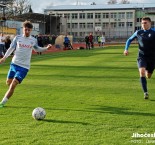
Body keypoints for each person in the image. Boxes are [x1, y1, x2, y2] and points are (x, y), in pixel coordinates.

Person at [0, 21, 52, 108]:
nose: (27, 31)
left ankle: (2, 102)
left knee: (13, 84)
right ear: (23, 29)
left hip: (24, 67)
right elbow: (11, 48)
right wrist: (4, 57)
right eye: (26, 29)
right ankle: (10, 91)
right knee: (8, 83)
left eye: (29, 30)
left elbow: (37, 49)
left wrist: (46, 48)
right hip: (14, 64)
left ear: (31, 30)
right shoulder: (17, 38)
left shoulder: (33, 40)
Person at [124, 17, 155, 99]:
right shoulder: (138, 32)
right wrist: (126, 49)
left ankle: (148, 73)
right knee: (142, 72)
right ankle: (145, 92)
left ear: (150, 23)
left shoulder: (154, 31)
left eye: (145, 23)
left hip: (152, 57)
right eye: (142, 23)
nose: (143, 24)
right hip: (142, 56)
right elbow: (129, 40)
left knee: (148, 75)